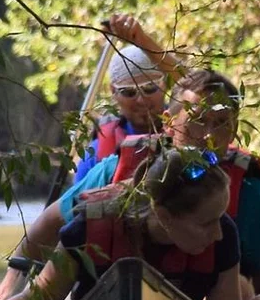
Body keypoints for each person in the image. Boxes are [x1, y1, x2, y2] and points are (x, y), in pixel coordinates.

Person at [0, 69, 260, 300]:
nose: (210, 135)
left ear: (235, 129)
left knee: (241, 286)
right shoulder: (115, 172)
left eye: (222, 122)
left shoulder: (248, 191)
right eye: (198, 120)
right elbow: (44, 231)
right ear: (168, 123)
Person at [0, 148, 255, 300]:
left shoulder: (223, 235)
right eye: (206, 223)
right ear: (163, 215)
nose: (217, 232)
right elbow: (40, 298)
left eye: (220, 218)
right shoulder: (88, 230)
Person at [71, 13, 182, 183]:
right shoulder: (97, 153)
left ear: (165, 83)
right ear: (113, 92)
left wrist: (143, 40)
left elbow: (202, 88)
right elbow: (75, 207)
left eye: (150, 88)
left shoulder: (188, 131)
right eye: (129, 92)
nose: (141, 100)